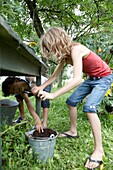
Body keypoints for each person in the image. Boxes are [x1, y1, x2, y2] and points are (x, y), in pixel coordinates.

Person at [31, 27, 113, 169]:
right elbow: (54, 76)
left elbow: (77, 80)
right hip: (92, 78)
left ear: (57, 42)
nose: (51, 52)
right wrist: (41, 87)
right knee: (71, 101)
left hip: (104, 78)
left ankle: (99, 151)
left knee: (89, 108)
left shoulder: (76, 49)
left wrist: (53, 95)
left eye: (50, 48)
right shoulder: (65, 56)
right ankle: (73, 131)